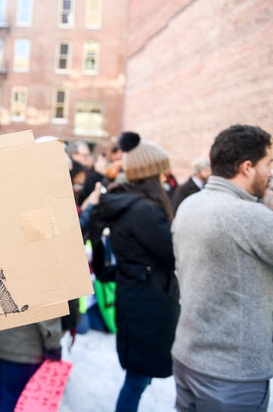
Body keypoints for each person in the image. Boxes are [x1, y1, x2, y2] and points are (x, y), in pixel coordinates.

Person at [171, 124, 273, 411]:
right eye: (269, 163)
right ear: (247, 167)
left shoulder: (191, 203)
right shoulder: (249, 216)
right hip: (233, 373)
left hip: (188, 355)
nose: (271, 173)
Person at [89, 131, 179, 412]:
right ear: (151, 174)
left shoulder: (130, 204)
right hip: (147, 303)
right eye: (162, 173)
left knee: (139, 377)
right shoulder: (144, 211)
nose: (166, 179)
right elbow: (173, 253)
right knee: (137, 380)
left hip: (139, 296)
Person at [0, 318, 64, 412]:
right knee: (13, 398)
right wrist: (53, 345)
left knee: (2, 389)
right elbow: (48, 317)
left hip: (4, 337)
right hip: (26, 345)